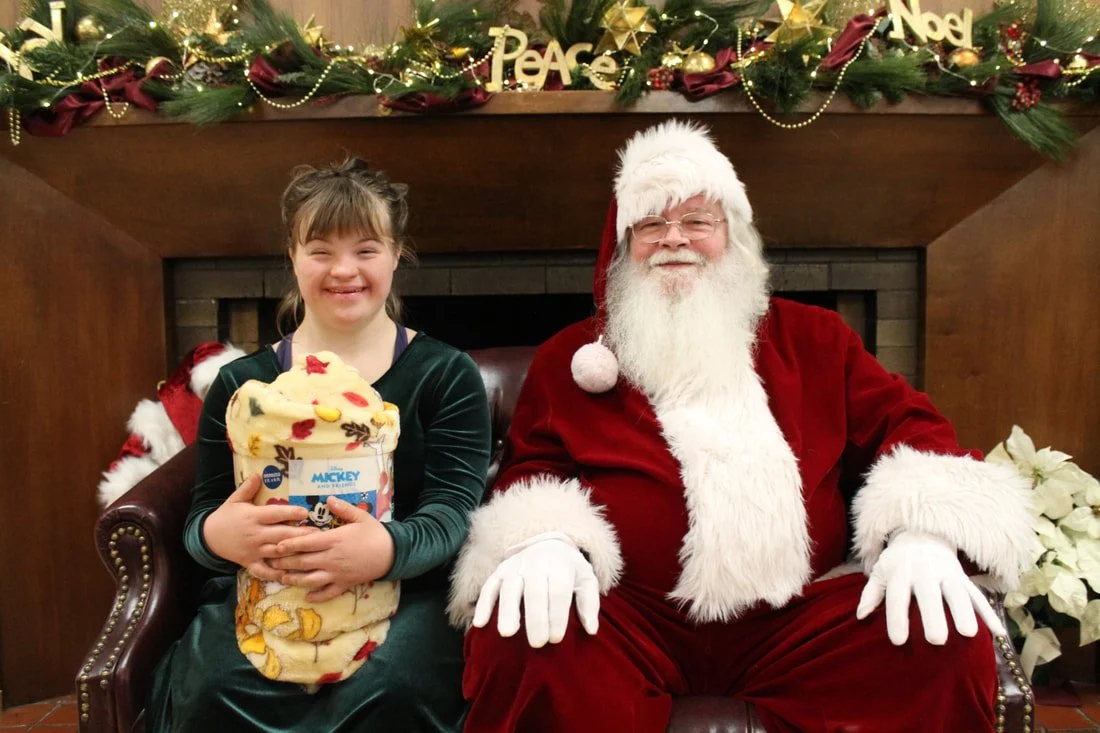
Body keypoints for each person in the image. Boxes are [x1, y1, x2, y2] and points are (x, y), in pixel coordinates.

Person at [450, 121, 1033, 733]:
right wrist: (545, 539)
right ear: (623, 247)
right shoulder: (571, 358)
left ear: (733, 235)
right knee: (519, 633)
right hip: (628, 620)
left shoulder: (817, 339)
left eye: (698, 221)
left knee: (938, 638)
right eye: (651, 225)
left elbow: (909, 424)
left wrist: (923, 534)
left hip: (795, 623)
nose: (675, 240)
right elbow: (532, 467)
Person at [147, 157, 492, 732]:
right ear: (292, 257)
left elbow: (455, 511)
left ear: (396, 254)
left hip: (407, 594)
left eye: (366, 249)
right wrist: (216, 534)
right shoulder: (243, 387)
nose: (344, 270)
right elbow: (202, 516)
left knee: (392, 687)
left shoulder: (445, 374)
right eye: (321, 250)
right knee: (213, 686)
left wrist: (384, 551)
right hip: (268, 598)